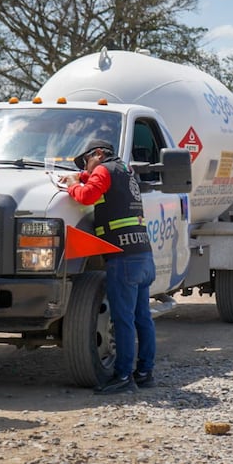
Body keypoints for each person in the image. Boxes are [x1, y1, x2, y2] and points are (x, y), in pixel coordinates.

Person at [62, 139, 157, 394]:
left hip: (123, 258)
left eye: (86, 161)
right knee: (142, 318)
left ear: (99, 154)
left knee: (122, 320)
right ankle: (145, 372)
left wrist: (73, 185)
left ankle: (123, 375)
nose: (87, 168)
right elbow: (96, 179)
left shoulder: (104, 170)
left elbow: (88, 194)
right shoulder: (125, 171)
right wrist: (81, 174)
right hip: (143, 255)